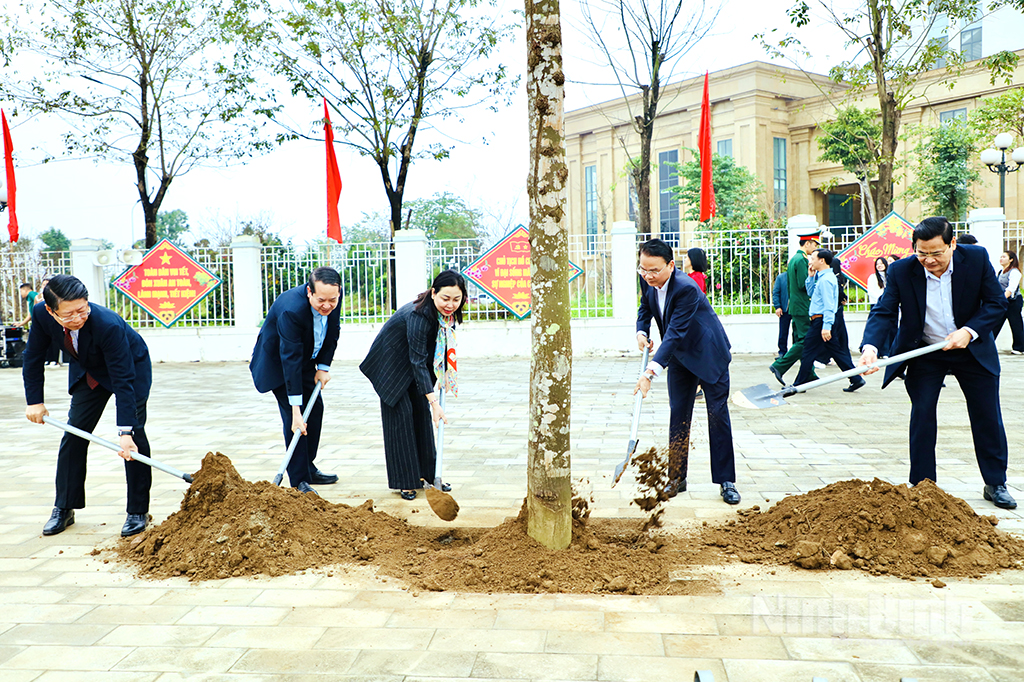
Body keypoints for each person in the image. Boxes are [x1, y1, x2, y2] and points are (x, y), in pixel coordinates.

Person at [858, 217, 1015, 509]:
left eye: (936, 253)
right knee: (923, 414)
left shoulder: (977, 259)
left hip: (971, 348)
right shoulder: (902, 270)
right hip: (926, 351)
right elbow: (884, 311)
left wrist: (969, 331)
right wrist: (870, 347)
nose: (929, 260)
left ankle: (996, 482)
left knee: (987, 415)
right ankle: (922, 486)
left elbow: (996, 303)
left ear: (952, 244)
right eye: (922, 253)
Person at [21, 274, 154, 537]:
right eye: (68, 315)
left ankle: (138, 511)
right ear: (51, 310)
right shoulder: (40, 313)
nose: (78, 318)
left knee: (135, 437)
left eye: (82, 310)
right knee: (74, 433)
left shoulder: (107, 324)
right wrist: (34, 401)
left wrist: (124, 432)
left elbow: (123, 378)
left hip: (129, 369)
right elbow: (33, 357)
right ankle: (64, 507)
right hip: (89, 371)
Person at [633, 239, 740, 505]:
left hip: (708, 354)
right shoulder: (648, 280)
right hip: (680, 357)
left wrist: (649, 373)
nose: (647, 276)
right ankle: (676, 478)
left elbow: (674, 332)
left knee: (717, 415)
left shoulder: (686, 288)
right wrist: (641, 331)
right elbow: (645, 308)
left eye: (654, 271)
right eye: (643, 269)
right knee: (678, 414)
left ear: (671, 265)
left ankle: (726, 481)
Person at [361, 270, 465, 500]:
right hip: (389, 367)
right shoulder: (418, 315)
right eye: (445, 298)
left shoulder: (446, 316)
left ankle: (429, 475)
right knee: (401, 419)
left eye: (456, 299)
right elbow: (417, 359)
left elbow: (444, 347)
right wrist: (434, 402)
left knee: (420, 416)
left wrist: (446, 373)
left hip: (413, 367)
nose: (450, 305)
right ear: (433, 292)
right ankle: (405, 482)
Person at [250, 267, 342, 494]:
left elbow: (333, 331)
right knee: (297, 421)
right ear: (309, 292)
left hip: (305, 361)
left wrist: (323, 366)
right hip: (279, 366)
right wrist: (295, 410)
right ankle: (299, 482)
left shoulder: (331, 296)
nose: (327, 305)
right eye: (321, 300)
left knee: (316, 410)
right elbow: (289, 359)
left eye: (333, 300)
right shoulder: (291, 309)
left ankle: (307, 467)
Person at [795, 249, 865, 391]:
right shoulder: (821, 277)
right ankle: (856, 378)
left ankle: (799, 384)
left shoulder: (827, 280)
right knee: (836, 351)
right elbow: (811, 292)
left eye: (813, 258)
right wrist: (810, 277)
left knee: (808, 350)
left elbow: (829, 305)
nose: (810, 261)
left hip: (821, 320)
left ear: (822, 260)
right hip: (820, 320)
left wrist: (826, 326)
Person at [769, 226, 822, 386]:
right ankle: (779, 366)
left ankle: (809, 373)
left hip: (796, 306)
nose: (815, 249)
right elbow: (802, 284)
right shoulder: (801, 260)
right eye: (814, 245)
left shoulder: (794, 259)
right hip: (802, 306)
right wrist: (813, 277)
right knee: (806, 340)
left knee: (802, 339)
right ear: (807, 244)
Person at [995, 249, 1024, 354]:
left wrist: (1001, 300)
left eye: (1004, 257)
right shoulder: (1000, 272)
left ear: (1011, 260)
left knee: (1016, 324)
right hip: (1003, 301)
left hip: (1013, 301)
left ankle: (1019, 347)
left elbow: (1011, 288)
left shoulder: (1015, 272)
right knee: (995, 322)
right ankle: (988, 344)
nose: (1001, 259)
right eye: (1001, 257)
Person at [771, 271, 791, 358]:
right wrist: (777, 306)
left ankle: (797, 352)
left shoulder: (802, 275)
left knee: (798, 332)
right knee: (783, 331)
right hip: (785, 308)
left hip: (797, 308)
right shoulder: (781, 277)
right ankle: (782, 351)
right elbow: (776, 292)